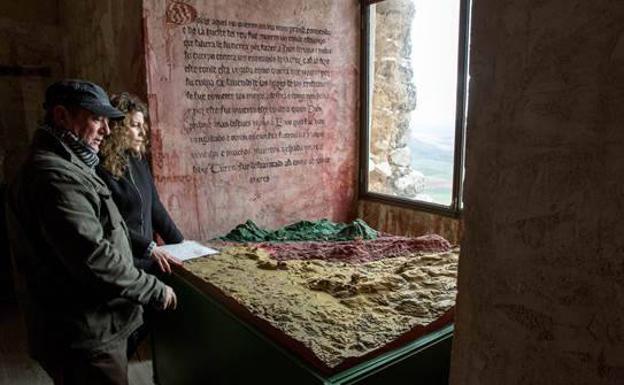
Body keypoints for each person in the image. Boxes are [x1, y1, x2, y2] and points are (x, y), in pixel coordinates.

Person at [5, 79, 177, 385]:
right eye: (96, 119)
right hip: (84, 332)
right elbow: (93, 257)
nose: (106, 130)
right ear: (62, 117)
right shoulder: (55, 176)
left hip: (94, 325)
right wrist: (153, 289)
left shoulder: (74, 165)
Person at [96, 92, 184, 357]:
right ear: (119, 127)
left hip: (149, 258)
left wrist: (182, 244)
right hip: (125, 262)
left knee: (148, 324)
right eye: (135, 125)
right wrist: (149, 247)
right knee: (127, 334)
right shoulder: (99, 168)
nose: (141, 131)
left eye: (142, 125)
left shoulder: (138, 160)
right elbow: (112, 222)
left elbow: (155, 207)